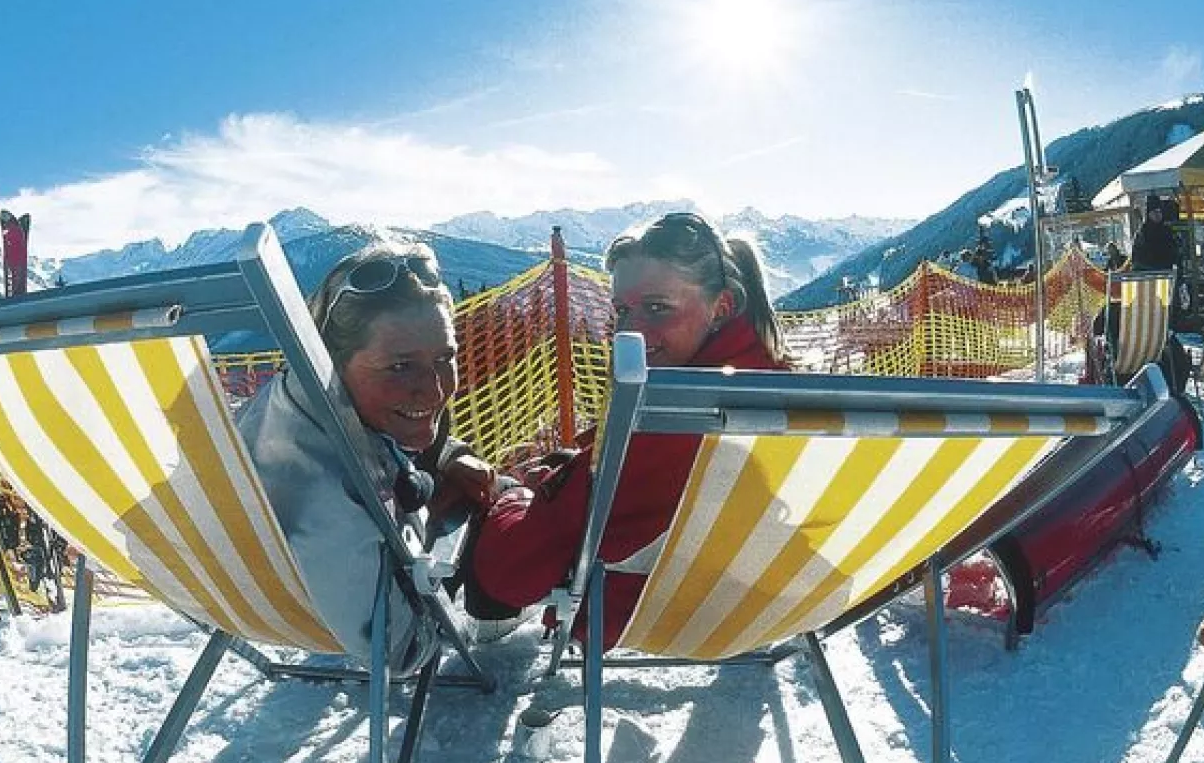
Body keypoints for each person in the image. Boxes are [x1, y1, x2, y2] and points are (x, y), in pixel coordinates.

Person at [462, 211, 792, 648]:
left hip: (648, 612)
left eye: (657, 308)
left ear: (722, 307)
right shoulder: (788, 393)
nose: (632, 330)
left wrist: (517, 494)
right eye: (622, 311)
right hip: (762, 605)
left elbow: (525, 561)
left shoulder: (676, 417)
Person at [236, 241, 499, 669]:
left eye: (444, 358)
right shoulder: (331, 493)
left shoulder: (287, 402)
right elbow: (401, 648)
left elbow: (410, 435)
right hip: (376, 617)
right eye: (400, 366)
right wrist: (439, 528)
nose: (435, 390)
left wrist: (449, 455)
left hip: (228, 599)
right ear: (332, 364)